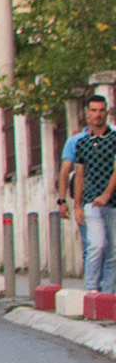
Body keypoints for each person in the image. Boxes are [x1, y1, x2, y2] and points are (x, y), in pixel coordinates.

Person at [72, 96, 116, 295]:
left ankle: (108, 293)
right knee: (96, 245)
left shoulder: (114, 139)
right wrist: (77, 206)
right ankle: (91, 290)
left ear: (106, 113)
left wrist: (107, 195)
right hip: (91, 202)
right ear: (87, 113)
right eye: (94, 110)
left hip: (113, 202)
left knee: (114, 250)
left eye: (101, 110)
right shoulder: (82, 143)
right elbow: (79, 175)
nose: (98, 114)